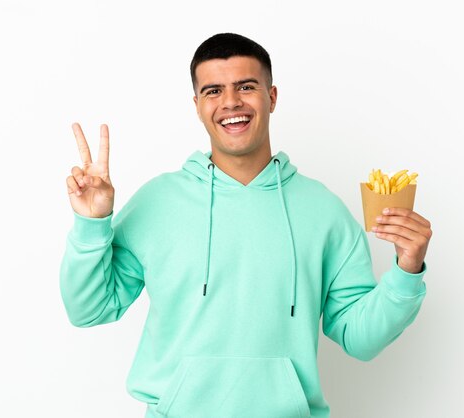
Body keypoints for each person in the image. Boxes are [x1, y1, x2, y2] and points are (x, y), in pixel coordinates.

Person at [60, 33, 432, 418]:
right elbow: (89, 309)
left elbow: (361, 339)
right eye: (214, 91)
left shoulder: (325, 212)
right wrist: (92, 223)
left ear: (271, 97)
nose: (231, 102)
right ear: (198, 106)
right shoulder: (156, 203)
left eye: (246, 87)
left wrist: (406, 272)